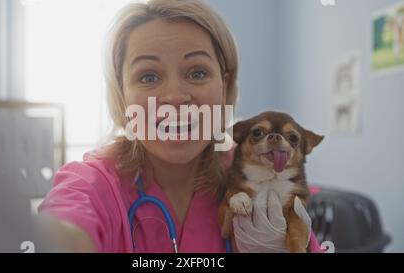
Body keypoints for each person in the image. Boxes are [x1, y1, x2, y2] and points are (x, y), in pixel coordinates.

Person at [37, 0, 322, 253]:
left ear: (224, 85)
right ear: (122, 94)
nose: (174, 97)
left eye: (197, 72)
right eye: (148, 77)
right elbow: (65, 229)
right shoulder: (92, 185)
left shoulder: (258, 171)